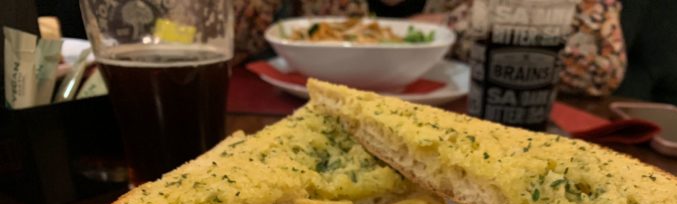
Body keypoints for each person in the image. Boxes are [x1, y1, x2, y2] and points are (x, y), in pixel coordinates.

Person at [234, 0, 627, 97]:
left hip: (465, 125)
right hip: (303, 114)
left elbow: (601, 65)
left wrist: (458, 23)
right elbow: (213, 35)